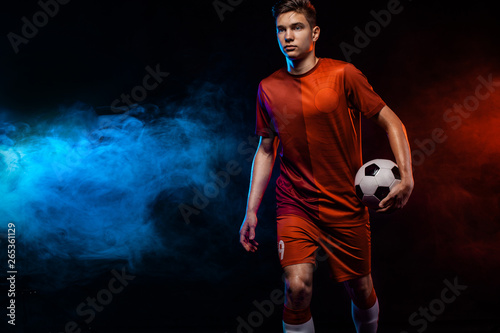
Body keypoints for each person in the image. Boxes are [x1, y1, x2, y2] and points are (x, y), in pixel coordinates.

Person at [239, 0, 414, 332]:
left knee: (361, 291)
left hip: (345, 203)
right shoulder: (268, 88)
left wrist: (407, 177)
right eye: (281, 29)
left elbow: (392, 122)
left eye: (297, 27)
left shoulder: (344, 74)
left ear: (315, 33)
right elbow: (265, 150)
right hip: (295, 203)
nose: (288, 36)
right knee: (297, 288)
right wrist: (251, 211)